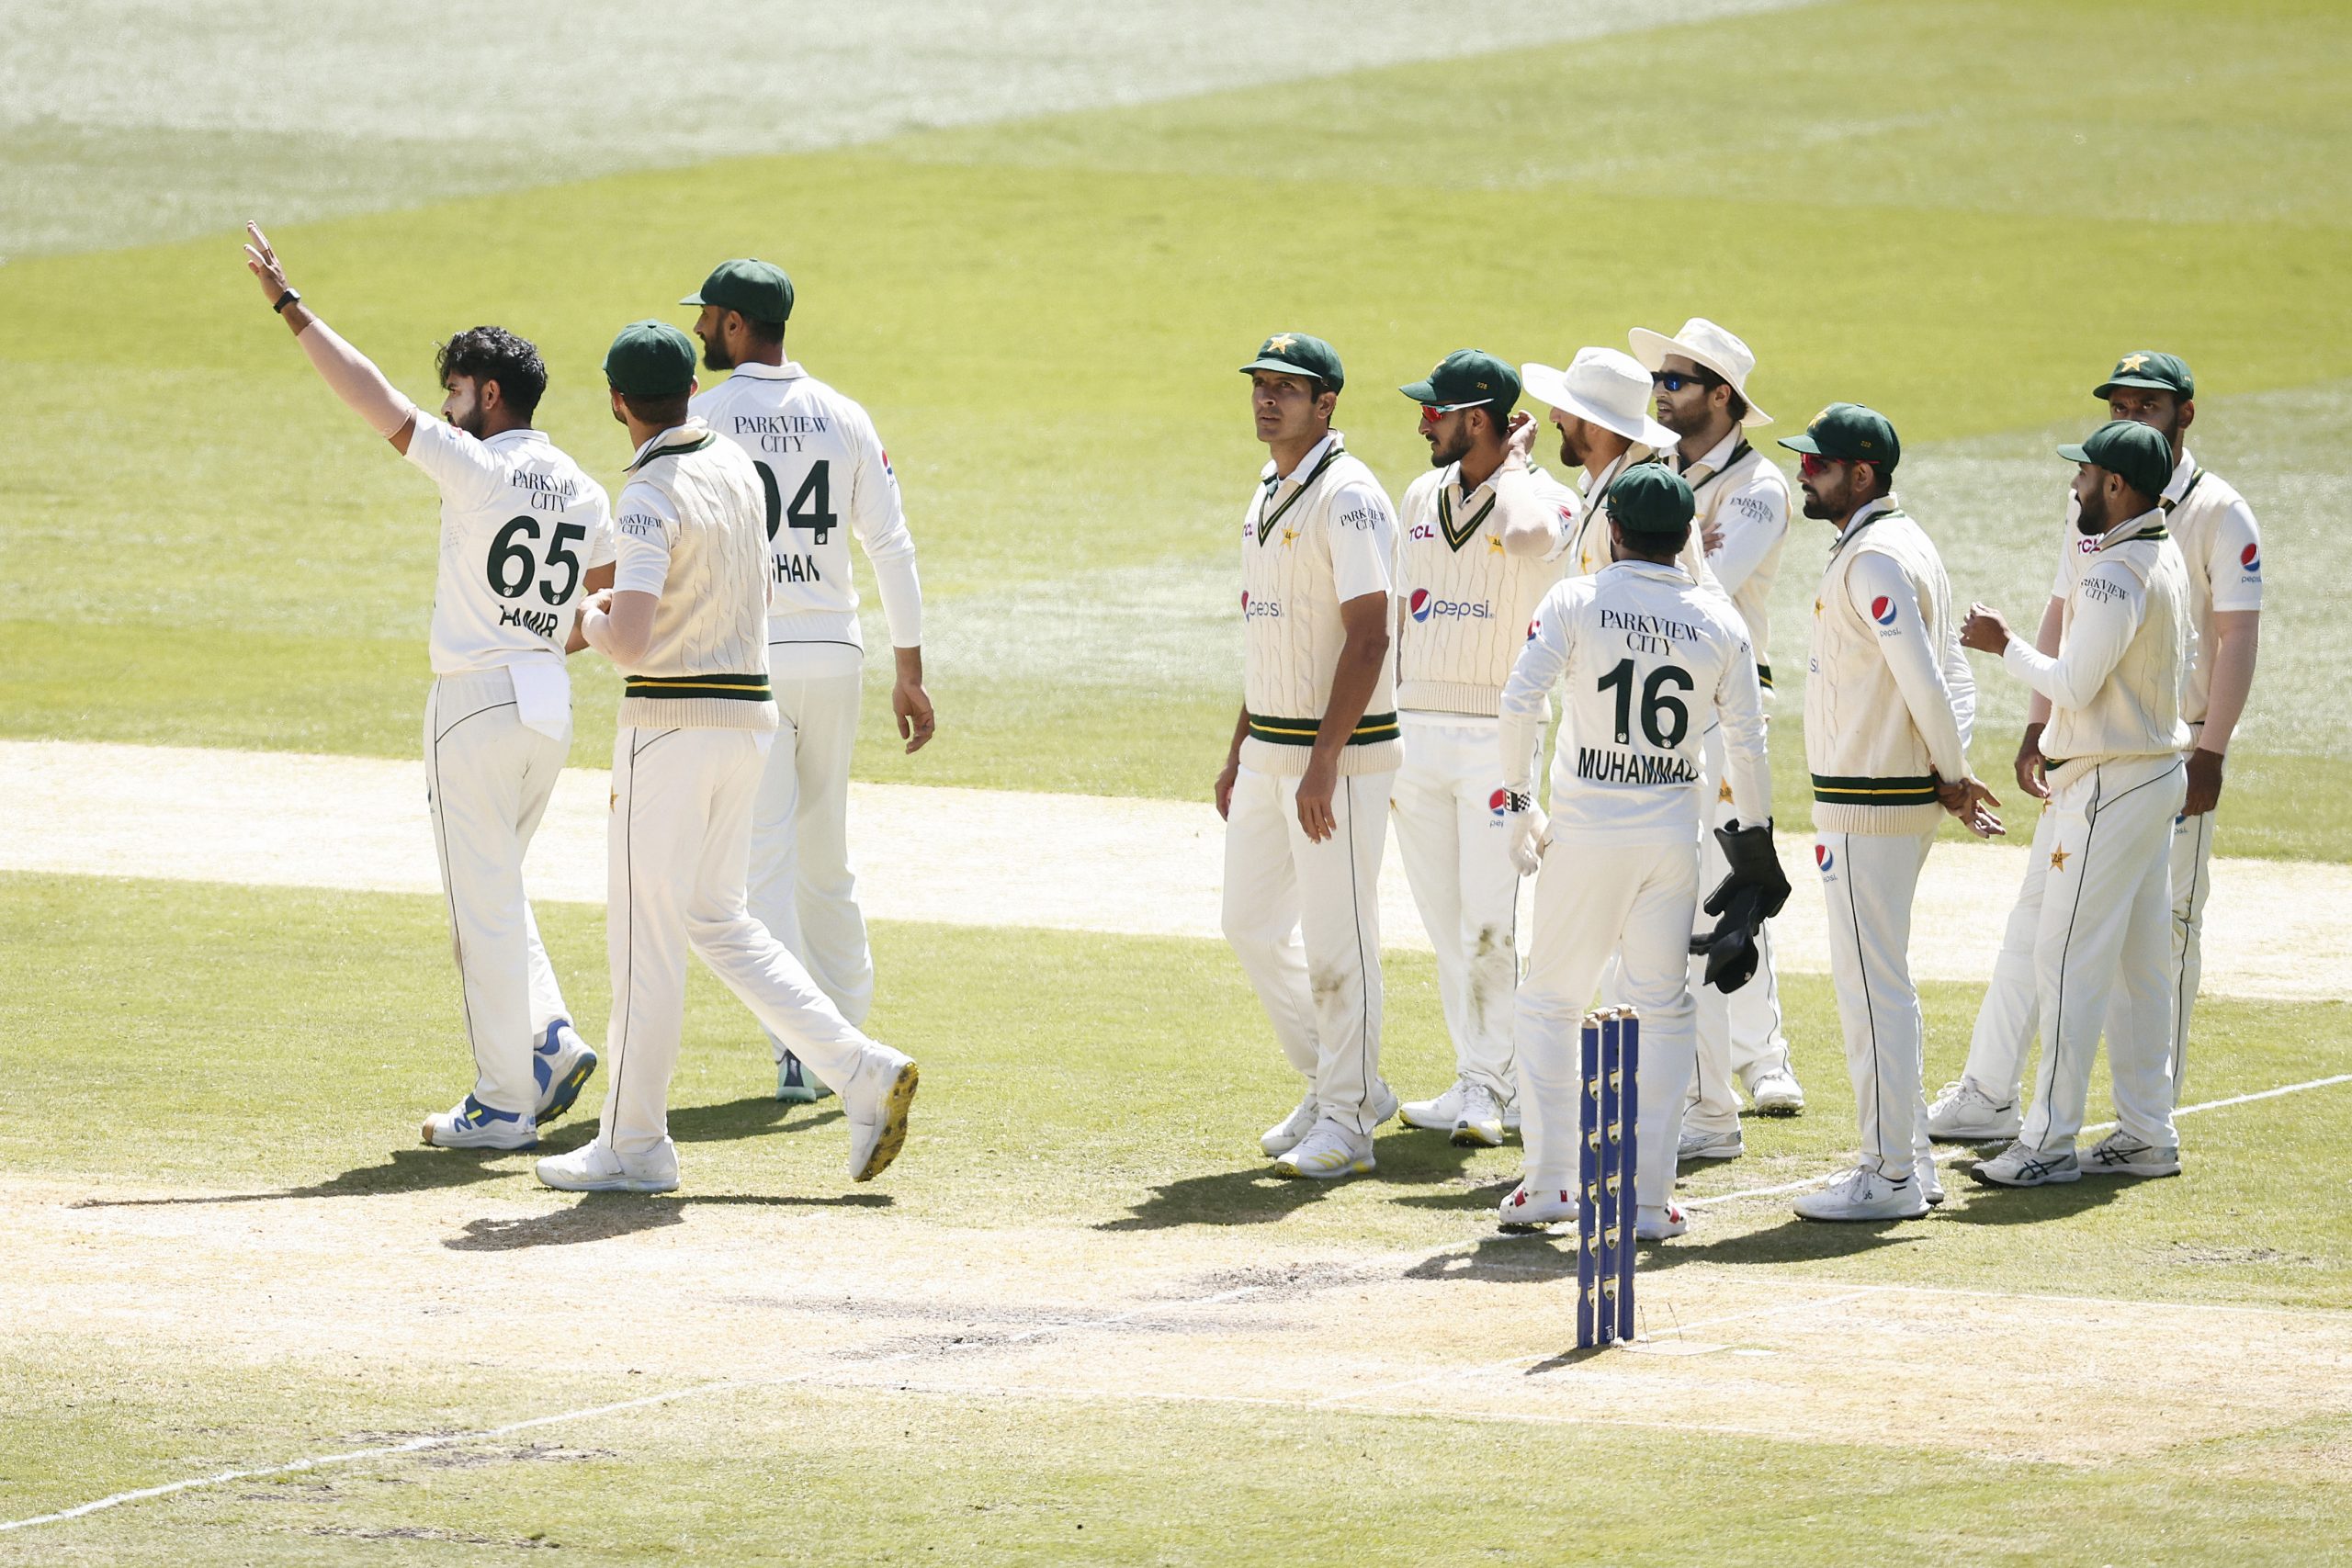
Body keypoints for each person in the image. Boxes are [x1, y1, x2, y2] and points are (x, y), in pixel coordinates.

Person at [241, 221, 606, 1152]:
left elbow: (375, 401)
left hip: (474, 708)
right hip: (547, 711)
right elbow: (603, 607)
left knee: (479, 911)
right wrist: (534, 640)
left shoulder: (477, 469)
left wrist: (292, 309)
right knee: (497, 893)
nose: (446, 409)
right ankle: (550, 1042)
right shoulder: (583, 487)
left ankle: (501, 1104)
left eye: (456, 392)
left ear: (490, 394)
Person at [535, 321, 918, 1194]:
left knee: (645, 940)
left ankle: (634, 1144)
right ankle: (859, 1069)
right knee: (717, 919)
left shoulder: (646, 493)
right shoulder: (735, 467)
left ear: (617, 402)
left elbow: (626, 639)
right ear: (690, 394)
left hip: (669, 728)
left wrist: (580, 620)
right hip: (748, 719)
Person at [1931, 352, 2263, 1137]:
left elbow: (2237, 638)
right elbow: (2063, 612)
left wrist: (2212, 751)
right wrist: (2036, 729)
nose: (2128, 417)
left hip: (2162, 757)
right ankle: (1989, 1091)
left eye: (2146, 404)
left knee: (2154, 936)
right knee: (2041, 920)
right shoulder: (2093, 498)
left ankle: (2144, 1114)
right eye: (2119, 405)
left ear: (2185, 413)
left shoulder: (2219, 511)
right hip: (2087, 753)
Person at [1495, 467, 1783, 1241]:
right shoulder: (1720, 620)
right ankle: (1649, 1202)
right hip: (1670, 836)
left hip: (1586, 832)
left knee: (1551, 1000)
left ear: (1611, 529)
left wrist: (1516, 804)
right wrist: (1754, 843)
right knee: (1663, 1012)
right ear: (1687, 535)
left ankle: (1554, 1181)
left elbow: (1520, 698)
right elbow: (1750, 745)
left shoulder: (1577, 598)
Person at [681, 258, 935, 1105]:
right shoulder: (844, 414)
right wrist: (911, 670)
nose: (699, 330)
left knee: (766, 858)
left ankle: (804, 1048)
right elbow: (891, 547)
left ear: (740, 326)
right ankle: (852, 1037)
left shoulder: (705, 415)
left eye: (710, 316)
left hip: (750, 656)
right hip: (836, 653)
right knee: (828, 854)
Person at [1955, 421, 2192, 1187]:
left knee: (2064, 958)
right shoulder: (2162, 553)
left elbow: (2074, 684)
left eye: (2085, 475)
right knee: (2138, 964)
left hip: (2112, 781)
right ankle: (2146, 1131)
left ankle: (2048, 1142)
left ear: (2116, 485)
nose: (2076, 487)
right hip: (2152, 776)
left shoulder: (2112, 573)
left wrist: (2004, 644)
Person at [1777, 405, 1998, 1222]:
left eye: (1819, 463)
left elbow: (1928, 680)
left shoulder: (1874, 558)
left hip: (1871, 802)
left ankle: (1889, 1175)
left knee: (1872, 990)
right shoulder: (1901, 543)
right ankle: (1912, 1162)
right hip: (1882, 797)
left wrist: (1955, 773)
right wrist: (1950, 771)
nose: (1805, 472)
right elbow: (1947, 679)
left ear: (1860, 474)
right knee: (1883, 984)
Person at [1216, 333, 1402, 1181]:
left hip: (1343, 757)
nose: (1267, 400)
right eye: (1261, 385)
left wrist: (1325, 760)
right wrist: (1238, 748)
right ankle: (1335, 1081)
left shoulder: (1350, 496)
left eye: (1287, 389)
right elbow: (1272, 632)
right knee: (1250, 925)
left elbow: (1369, 636)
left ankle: (1350, 1118)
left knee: (1339, 939)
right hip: (1270, 751)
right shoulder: (1267, 488)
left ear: (1327, 404)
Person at [1388, 351, 1576, 1147]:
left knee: (1489, 922)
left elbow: (1525, 535)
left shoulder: (1547, 500)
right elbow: (1401, 616)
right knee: (1444, 921)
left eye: (1439, 410)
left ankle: (1492, 1088)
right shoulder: (1418, 496)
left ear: (1480, 419)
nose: (1424, 421)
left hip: (1499, 736)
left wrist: (1520, 466)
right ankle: (1477, 1073)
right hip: (1416, 730)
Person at [1631, 317, 1803, 1158]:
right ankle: (1732, 1056)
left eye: (1675, 380)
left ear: (1722, 396)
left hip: (1733, 697)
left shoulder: (1760, 486)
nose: (1658, 392)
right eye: (1659, 379)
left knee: (1736, 869)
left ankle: (1763, 1056)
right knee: (1686, 875)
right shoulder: (1655, 467)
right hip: (1666, 699)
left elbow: (1710, 584)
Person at [1519, 347, 1702, 586]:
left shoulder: (1646, 501)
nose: (1554, 416)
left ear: (1595, 424)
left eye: (1566, 408)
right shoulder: (1619, 486)